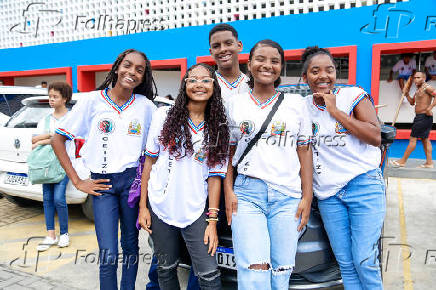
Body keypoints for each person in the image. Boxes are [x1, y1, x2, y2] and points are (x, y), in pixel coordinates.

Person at [52, 49, 157, 290]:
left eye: (139, 70)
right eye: (127, 65)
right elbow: (58, 139)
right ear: (117, 67)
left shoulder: (145, 106)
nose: (132, 72)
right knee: (108, 252)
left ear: (144, 76)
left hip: (132, 184)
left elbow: (156, 147)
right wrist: (78, 181)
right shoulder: (92, 101)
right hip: (103, 185)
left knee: (131, 246)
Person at [224, 39, 313, 290]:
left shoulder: (296, 104)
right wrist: (229, 191)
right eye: (260, 59)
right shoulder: (234, 104)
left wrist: (307, 196)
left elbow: (304, 150)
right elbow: (229, 152)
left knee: (282, 269)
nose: (267, 65)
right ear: (249, 64)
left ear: (281, 67)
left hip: (288, 196)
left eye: (274, 61)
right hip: (247, 195)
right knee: (254, 269)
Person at [138, 63, 228, 290]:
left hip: (195, 209)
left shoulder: (218, 127)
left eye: (206, 80)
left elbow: (215, 178)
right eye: (193, 80)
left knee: (209, 274)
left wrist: (212, 222)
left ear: (214, 86)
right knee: (166, 269)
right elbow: (149, 162)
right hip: (160, 205)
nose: (199, 84)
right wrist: (143, 207)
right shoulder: (164, 116)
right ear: (184, 85)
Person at [302, 46, 385, 289]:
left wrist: (335, 111)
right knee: (346, 263)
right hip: (328, 195)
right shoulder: (302, 107)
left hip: (363, 185)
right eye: (315, 71)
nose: (323, 76)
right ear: (305, 76)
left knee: (365, 260)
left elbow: (375, 136)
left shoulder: (353, 95)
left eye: (329, 69)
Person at [33, 82, 72, 251]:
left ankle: (64, 234)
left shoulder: (71, 118)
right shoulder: (45, 120)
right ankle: (50, 235)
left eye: (55, 97)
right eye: (50, 96)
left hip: (63, 164)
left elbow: (65, 140)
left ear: (65, 99)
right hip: (46, 165)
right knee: (47, 200)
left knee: (58, 199)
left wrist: (45, 140)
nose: (51, 100)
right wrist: (51, 135)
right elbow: (34, 141)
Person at [391, 71, 435, 168]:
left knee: (412, 139)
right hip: (420, 117)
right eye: (415, 77)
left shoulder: (427, 87)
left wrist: (429, 108)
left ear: (423, 78)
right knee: (425, 140)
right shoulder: (418, 90)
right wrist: (406, 94)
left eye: (418, 77)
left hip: (424, 117)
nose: (415, 79)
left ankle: (402, 161)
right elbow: (412, 102)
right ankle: (429, 163)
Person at [209, 23, 249, 104]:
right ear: (211, 52)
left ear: (239, 46)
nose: (222, 49)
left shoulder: (253, 85)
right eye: (216, 46)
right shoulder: (207, 84)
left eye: (228, 43)